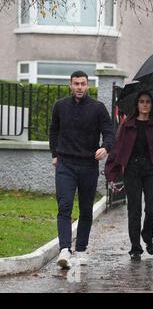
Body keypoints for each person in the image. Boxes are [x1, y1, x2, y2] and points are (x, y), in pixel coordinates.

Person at [49, 70, 114, 268]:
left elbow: (110, 132)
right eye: (76, 83)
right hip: (65, 164)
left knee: (86, 209)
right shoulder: (60, 106)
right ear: (70, 84)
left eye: (83, 84)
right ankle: (65, 249)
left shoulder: (98, 108)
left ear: (88, 85)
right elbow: (54, 130)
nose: (79, 87)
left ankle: (81, 249)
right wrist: (54, 154)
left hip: (88, 165)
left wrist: (105, 147)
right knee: (65, 206)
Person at [105, 91, 153, 260]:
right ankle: (135, 247)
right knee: (134, 210)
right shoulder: (127, 124)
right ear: (137, 104)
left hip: (152, 169)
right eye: (141, 101)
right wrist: (111, 174)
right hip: (132, 170)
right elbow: (117, 148)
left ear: (151, 105)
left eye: (148, 102)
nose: (144, 105)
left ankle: (147, 235)